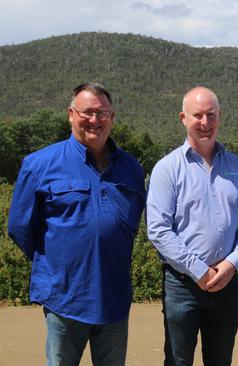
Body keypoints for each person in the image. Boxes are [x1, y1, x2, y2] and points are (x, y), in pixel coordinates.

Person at [8, 82, 146, 365]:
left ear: (112, 117)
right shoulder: (39, 164)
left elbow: (133, 223)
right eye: (87, 112)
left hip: (114, 298)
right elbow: (20, 228)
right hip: (65, 298)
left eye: (102, 113)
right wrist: (60, 260)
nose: (95, 120)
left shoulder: (132, 168)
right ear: (71, 114)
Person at [146, 86, 238, 366]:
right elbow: (158, 230)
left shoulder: (237, 167)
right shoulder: (168, 168)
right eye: (198, 115)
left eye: (211, 115)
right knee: (178, 361)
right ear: (183, 118)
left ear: (219, 117)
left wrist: (231, 264)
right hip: (182, 284)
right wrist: (198, 270)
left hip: (226, 282)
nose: (205, 122)